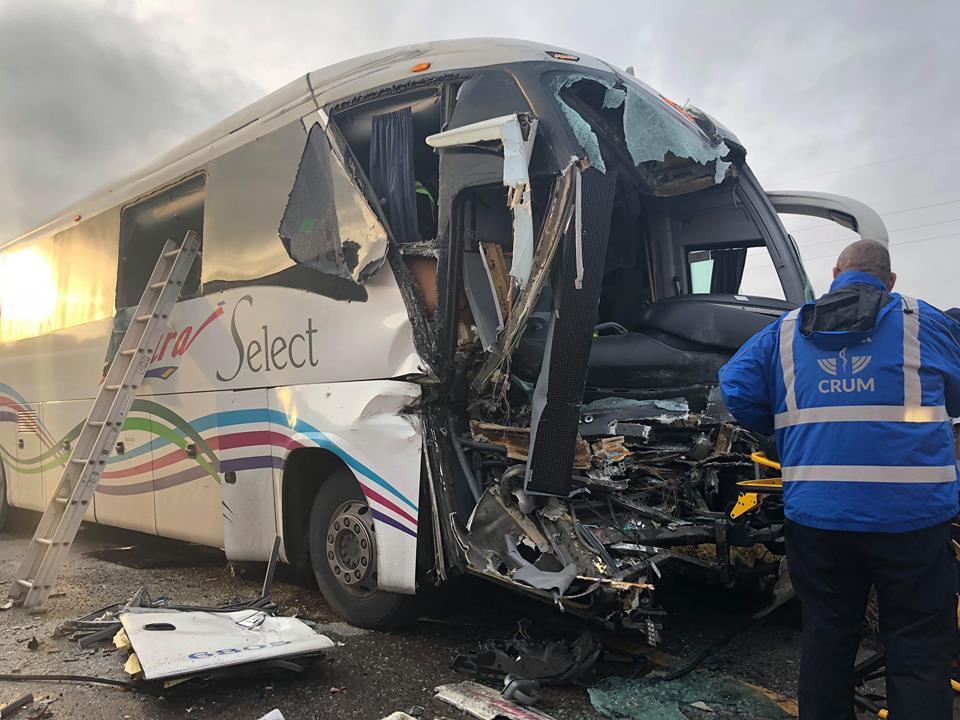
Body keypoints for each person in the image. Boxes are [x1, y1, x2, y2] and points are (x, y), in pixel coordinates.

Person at [719, 239, 960, 719]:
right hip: (914, 519)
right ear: (889, 281)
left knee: (828, 636)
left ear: (834, 273)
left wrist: (794, 425)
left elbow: (736, 389)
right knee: (917, 645)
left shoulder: (784, 332)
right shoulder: (923, 322)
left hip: (820, 518)